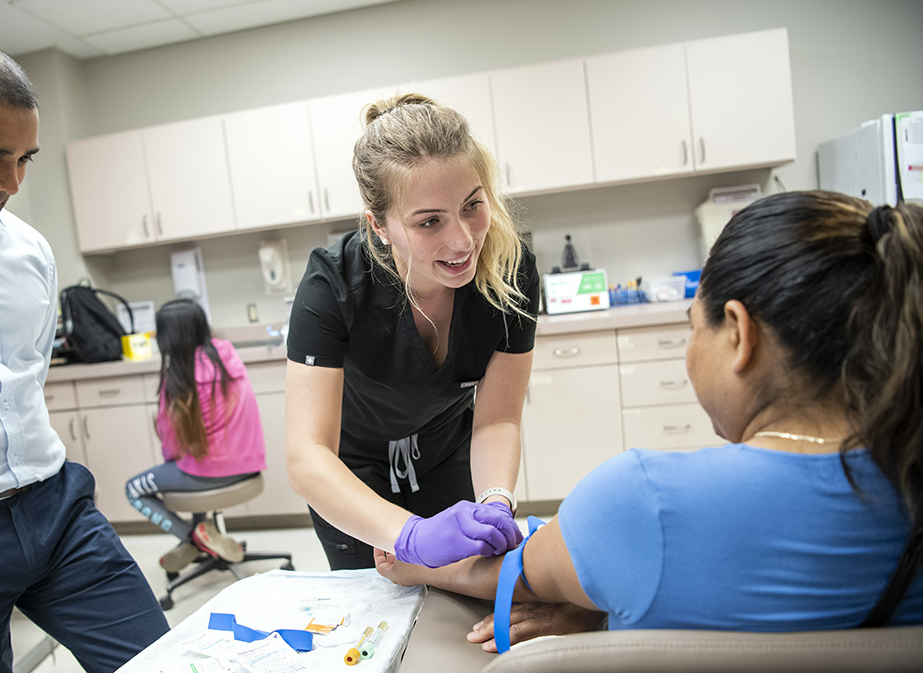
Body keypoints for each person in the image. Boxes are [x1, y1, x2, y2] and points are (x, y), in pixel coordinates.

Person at [375, 191, 923, 651]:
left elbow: (512, 572)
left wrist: (408, 558)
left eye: (693, 325)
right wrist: (608, 614)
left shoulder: (643, 502)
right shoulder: (908, 486)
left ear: (738, 333)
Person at [0, 41, 169, 671]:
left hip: (56, 511)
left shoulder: (30, 251)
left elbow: (25, 384)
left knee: (163, 661)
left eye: (24, 158)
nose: (12, 182)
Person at [286, 93, 540, 570]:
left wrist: (496, 499)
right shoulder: (333, 285)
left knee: (459, 612)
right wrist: (410, 536)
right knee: (374, 626)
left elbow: (498, 419)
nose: (463, 241)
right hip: (352, 473)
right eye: (428, 222)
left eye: (472, 205)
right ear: (379, 226)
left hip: (448, 454)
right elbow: (307, 457)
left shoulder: (510, 270)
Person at [126, 298, 267, 571]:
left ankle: (192, 537)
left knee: (133, 489)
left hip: (206, 472)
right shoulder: (227, 356)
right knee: (195, 459)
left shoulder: (179, 378)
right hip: (250, 466)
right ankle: (205, 532)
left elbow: (172, 448)